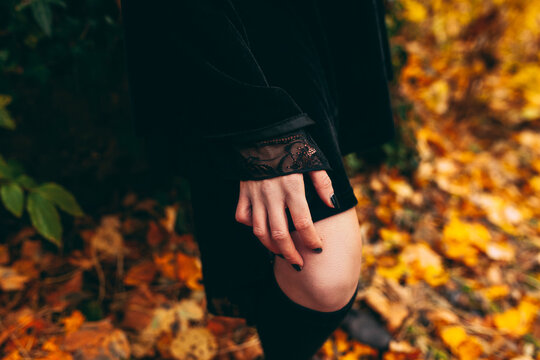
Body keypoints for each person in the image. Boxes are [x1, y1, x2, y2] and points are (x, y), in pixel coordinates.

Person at [120, 0, 396, 358]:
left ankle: (283, 307)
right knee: (322, 275)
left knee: (318, 162)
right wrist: (257, 130)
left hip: (324, 15)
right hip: (249, 18)